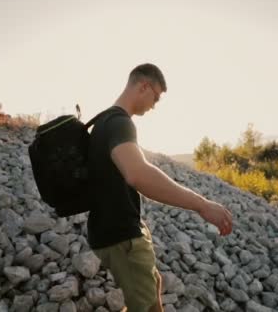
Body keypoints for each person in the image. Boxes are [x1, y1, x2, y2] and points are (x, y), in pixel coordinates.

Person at [87, 63, 233, 312]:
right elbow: (138, 174)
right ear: (144, 86)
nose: (154, 106)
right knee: (146, 307)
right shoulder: (119, 123)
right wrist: (202, 205)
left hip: (118, 230)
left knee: (153, 285)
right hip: (120, 235)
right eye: (155, 98)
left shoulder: (104, 121)